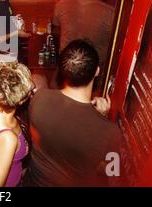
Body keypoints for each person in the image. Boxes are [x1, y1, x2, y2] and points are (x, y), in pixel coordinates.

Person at [22, 39, 122, 187]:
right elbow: (112, 172)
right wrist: (102, 118)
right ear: (97, 71)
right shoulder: (110, 132)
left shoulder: (38, 99)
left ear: (62, 70)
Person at [53, 0, 114, 73]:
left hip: (65, 70)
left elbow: (56, 30)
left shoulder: (61, 6)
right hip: (94, 75)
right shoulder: (111, 13)